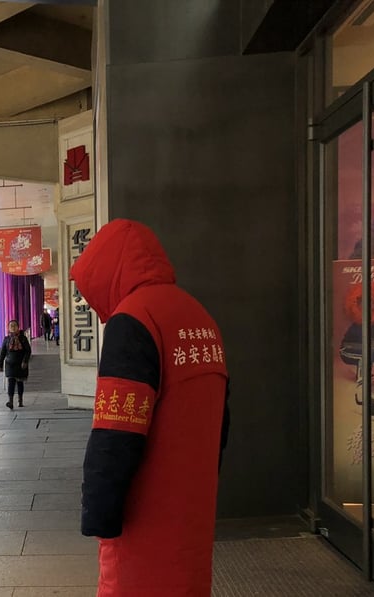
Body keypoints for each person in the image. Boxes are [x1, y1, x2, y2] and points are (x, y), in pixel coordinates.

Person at [69, 219, 230, 596]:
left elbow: (116, 432)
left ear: (106, 270)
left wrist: (99, 512)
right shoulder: (199, 317)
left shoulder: (134, 321)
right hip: (193, 506)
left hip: (144, 515)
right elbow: (222, 420)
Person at [0, 320, 31, 409]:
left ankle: (20, 401)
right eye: (11, 326)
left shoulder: (23, 338)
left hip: (20, 364)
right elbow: (3, 353)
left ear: (18, 327)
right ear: (8, 328)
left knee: (20, 383)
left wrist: (25, 361)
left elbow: (28, 351)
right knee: (11, 383)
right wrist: (0, 365)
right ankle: (10, 401)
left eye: (15, 325)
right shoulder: (6, 339)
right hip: (10, 364)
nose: (13, 327)